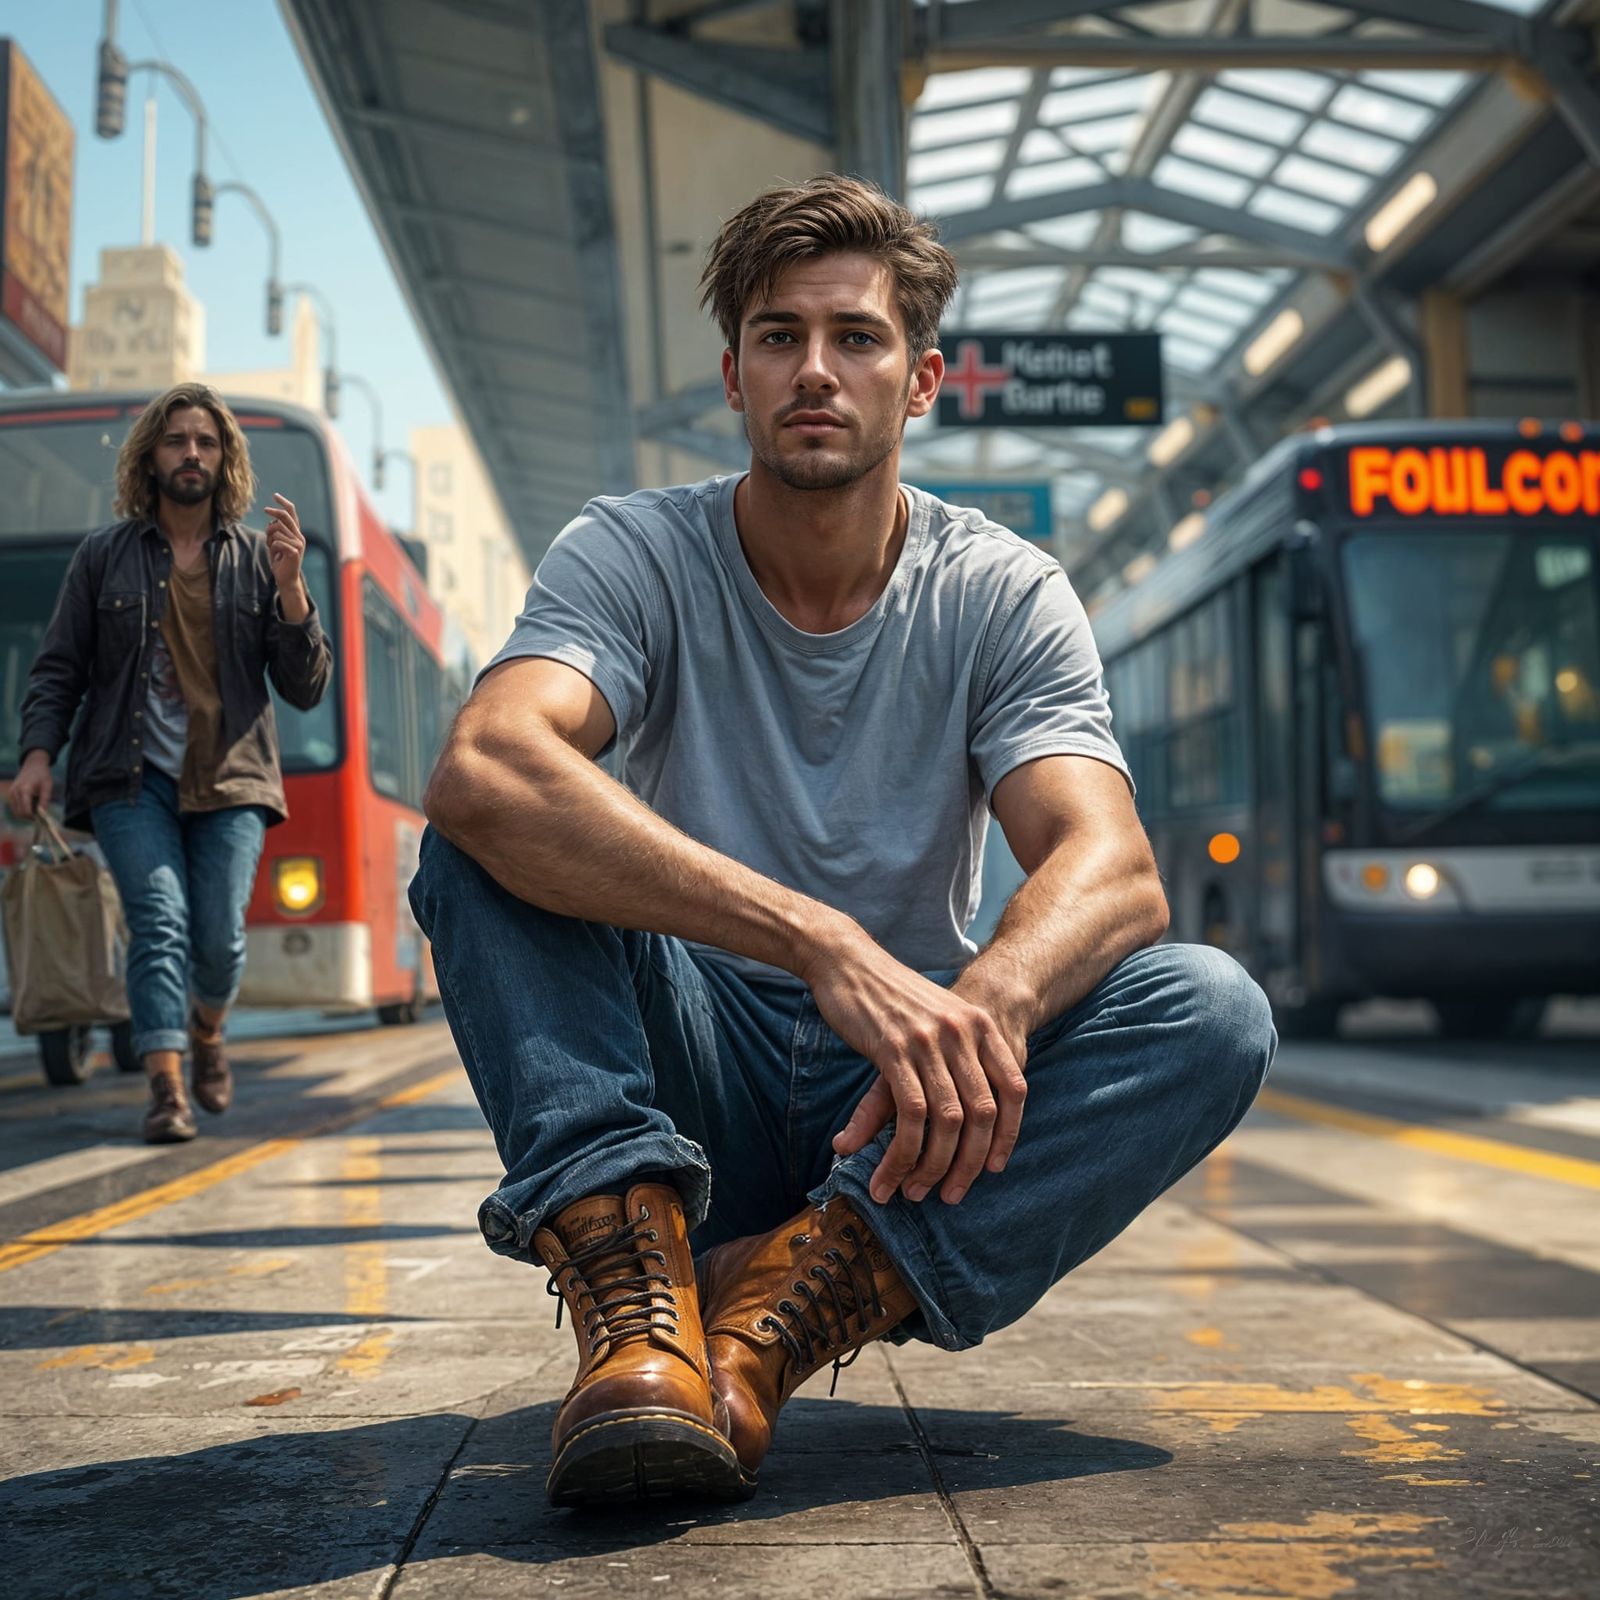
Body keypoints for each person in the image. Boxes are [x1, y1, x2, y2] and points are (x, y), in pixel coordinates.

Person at [410, 176, 1276, 1508]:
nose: (817, 369)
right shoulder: (636, 552)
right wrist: (820, 941)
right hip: (691, 1051)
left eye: (857, 337)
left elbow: (1113, 866)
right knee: (485, 837)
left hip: (902, 1103)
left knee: (1212, 1013)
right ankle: (640, 1318)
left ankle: (763, 1326)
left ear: (919, 379)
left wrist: (981, 1001)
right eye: (779, 336)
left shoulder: (1000, 590)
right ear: (734, 376)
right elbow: (487, 763)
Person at [13, 382, 332, 1143]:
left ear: (224, 461)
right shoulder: (103, 557)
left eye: (206, 442)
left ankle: (209, 1032)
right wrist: (36, 756)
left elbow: (305, 686)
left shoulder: (258, 560)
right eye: (176, 440)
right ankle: (166, 1091)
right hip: (129, 778)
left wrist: (292, 591)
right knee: (158, 921)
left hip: (231, 778)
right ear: (150, 456)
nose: (192, 453)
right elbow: (59, 668)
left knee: (219, 941)